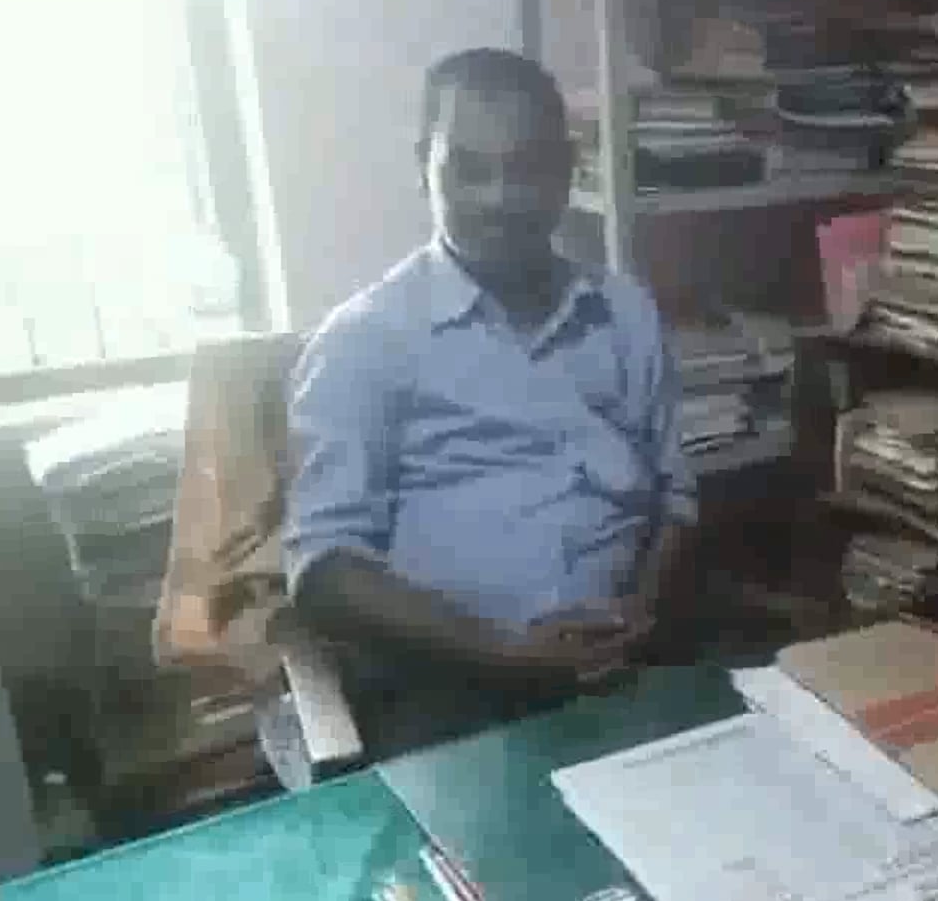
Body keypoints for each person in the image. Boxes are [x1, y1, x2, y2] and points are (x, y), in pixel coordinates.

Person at [282, 49, 695, 759]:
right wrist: (505, 651)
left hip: (629, 668)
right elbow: (323, 570)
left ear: (567, 170)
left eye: (527, 168)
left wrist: (643, 609)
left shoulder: (624, 311)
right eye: (468, 170)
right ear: (424, 167)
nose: (501, 199)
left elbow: (676, 495)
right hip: (454, 694)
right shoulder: (365, 338)